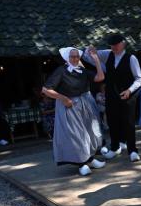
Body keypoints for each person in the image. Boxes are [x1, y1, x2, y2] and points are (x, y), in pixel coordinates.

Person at [42, 47, 106, 176]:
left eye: (77, 56)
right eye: (72, 56)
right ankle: (82, 164)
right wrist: (63, 98)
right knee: (77, 136)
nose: (75, 59)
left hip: (85, 105)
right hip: (70, 107)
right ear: (67, 58)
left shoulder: (82, 71)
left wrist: (95, 59)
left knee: (90, 133)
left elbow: (100, 77)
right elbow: (45, 89)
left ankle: (90, 159)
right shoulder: (61, 71)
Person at [83, 34, 141, 162]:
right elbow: (88, 57)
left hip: (127, 95)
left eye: (116, 45)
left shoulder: (131, 58)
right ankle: (115, 147)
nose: (114, 47)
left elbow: (139, 79)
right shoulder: (107, 54)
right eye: (112, 45)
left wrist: (130, 90)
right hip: (111, 94)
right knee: (112, 121)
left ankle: (132, 150)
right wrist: (90, 50)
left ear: (123, 44)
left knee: (128, 123)